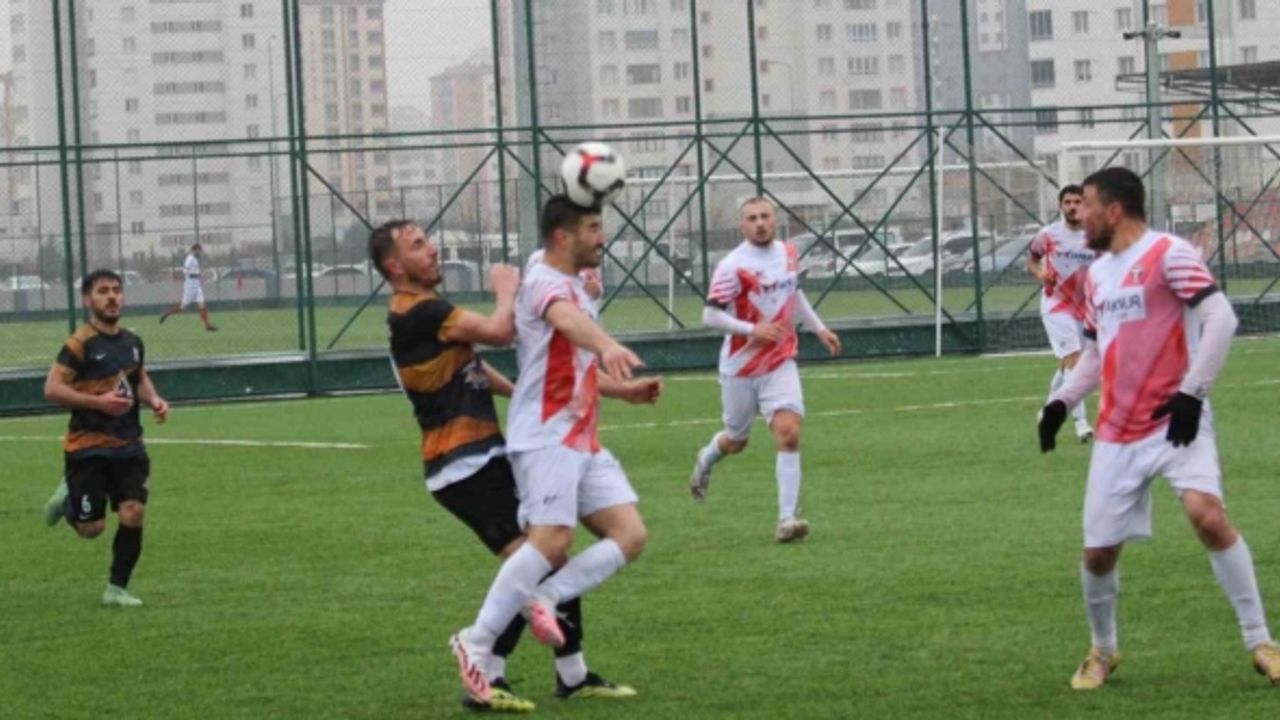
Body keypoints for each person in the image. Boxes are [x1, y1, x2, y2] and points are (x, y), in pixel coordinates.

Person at [369, 219, 639, 711]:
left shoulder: (425, 311)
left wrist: (523, 394)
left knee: (547, 556)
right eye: (418, 245)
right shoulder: (421, 311)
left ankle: (569, 674)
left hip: (479, 456)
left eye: (428, 240)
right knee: (538, 561)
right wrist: (506, 290)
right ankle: (483, 660)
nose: (432, 250)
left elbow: (470, 365)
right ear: (394, 265)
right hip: (462, 463)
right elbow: (499, 331)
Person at [1037, 167, 1280, 690]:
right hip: (1117, 431)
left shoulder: (1169, 253)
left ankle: (1261, 642)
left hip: (1176, 421)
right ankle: (1103, 651)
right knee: (1098, 554)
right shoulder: (1097, 275)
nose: (1081, 217)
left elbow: (1221, 319)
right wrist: (1061, 403)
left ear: (1114, 210)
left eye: (1089, 206)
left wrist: (1193, 393)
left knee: (1207, 515)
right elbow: (1093, 353)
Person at [448, 196, 662, 707]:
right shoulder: (546, 281)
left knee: (630, 535)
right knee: (550, 541)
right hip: (546, 434)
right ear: (564, 237)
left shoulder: (566, 278)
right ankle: (476, 640)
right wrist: (607, 344)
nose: (602, 238)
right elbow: (564, 320)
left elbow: (574, 360)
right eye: (593, 228)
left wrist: (623, 389)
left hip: (581, 436)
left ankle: (544, 596)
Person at [688, 196, 842, 542]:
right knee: (735, 441)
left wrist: (819, 329)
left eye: (765, 216)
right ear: (742, 226)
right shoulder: (732, 266)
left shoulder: (788, 253)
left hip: (780, 359)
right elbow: (709, 315)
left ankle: (787, 519)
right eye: (752, 218)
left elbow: (794, 293)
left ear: (775, 220)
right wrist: (751, 330)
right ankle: (707, 458)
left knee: (789, 432)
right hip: (741, 366)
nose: (760, 223)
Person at [41, 269, 170, 607]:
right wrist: (99, 402)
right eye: (103, 291)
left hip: (129, 446)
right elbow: (52, 389)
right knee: (91, 529)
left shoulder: (133, 342)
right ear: (88, 300)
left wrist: (155, 399)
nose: (112, 297)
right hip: (87, 449)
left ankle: (117, 589)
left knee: (133, 512)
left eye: (116, 290)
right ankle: (68, 498)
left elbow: (139, 379)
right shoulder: (79, 344)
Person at [1028, 185, 1095, 442]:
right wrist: (1040, 274)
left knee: (1069, 363)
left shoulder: (1097, 234)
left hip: (1084, 308)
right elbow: (1032, 260)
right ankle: (1081, 423)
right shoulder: (1049, 234)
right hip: (1056, 305)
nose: (1072, 206)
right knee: (1074, 361)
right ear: (1060, 206)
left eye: (1077, 202)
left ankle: (1048, 409)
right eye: (1067, 202)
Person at [159, 243, 218, 331]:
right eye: (199, 251)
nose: (200, 253)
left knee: (202, 305)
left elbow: (195, 272)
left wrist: (199, 278)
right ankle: (167, 313)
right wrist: (198, 275)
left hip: (197, 287)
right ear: (195, 250)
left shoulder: (195, 259)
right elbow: (185, 272)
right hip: (189, 288)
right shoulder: (189, 259)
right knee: (182, 308)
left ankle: (207, 326)